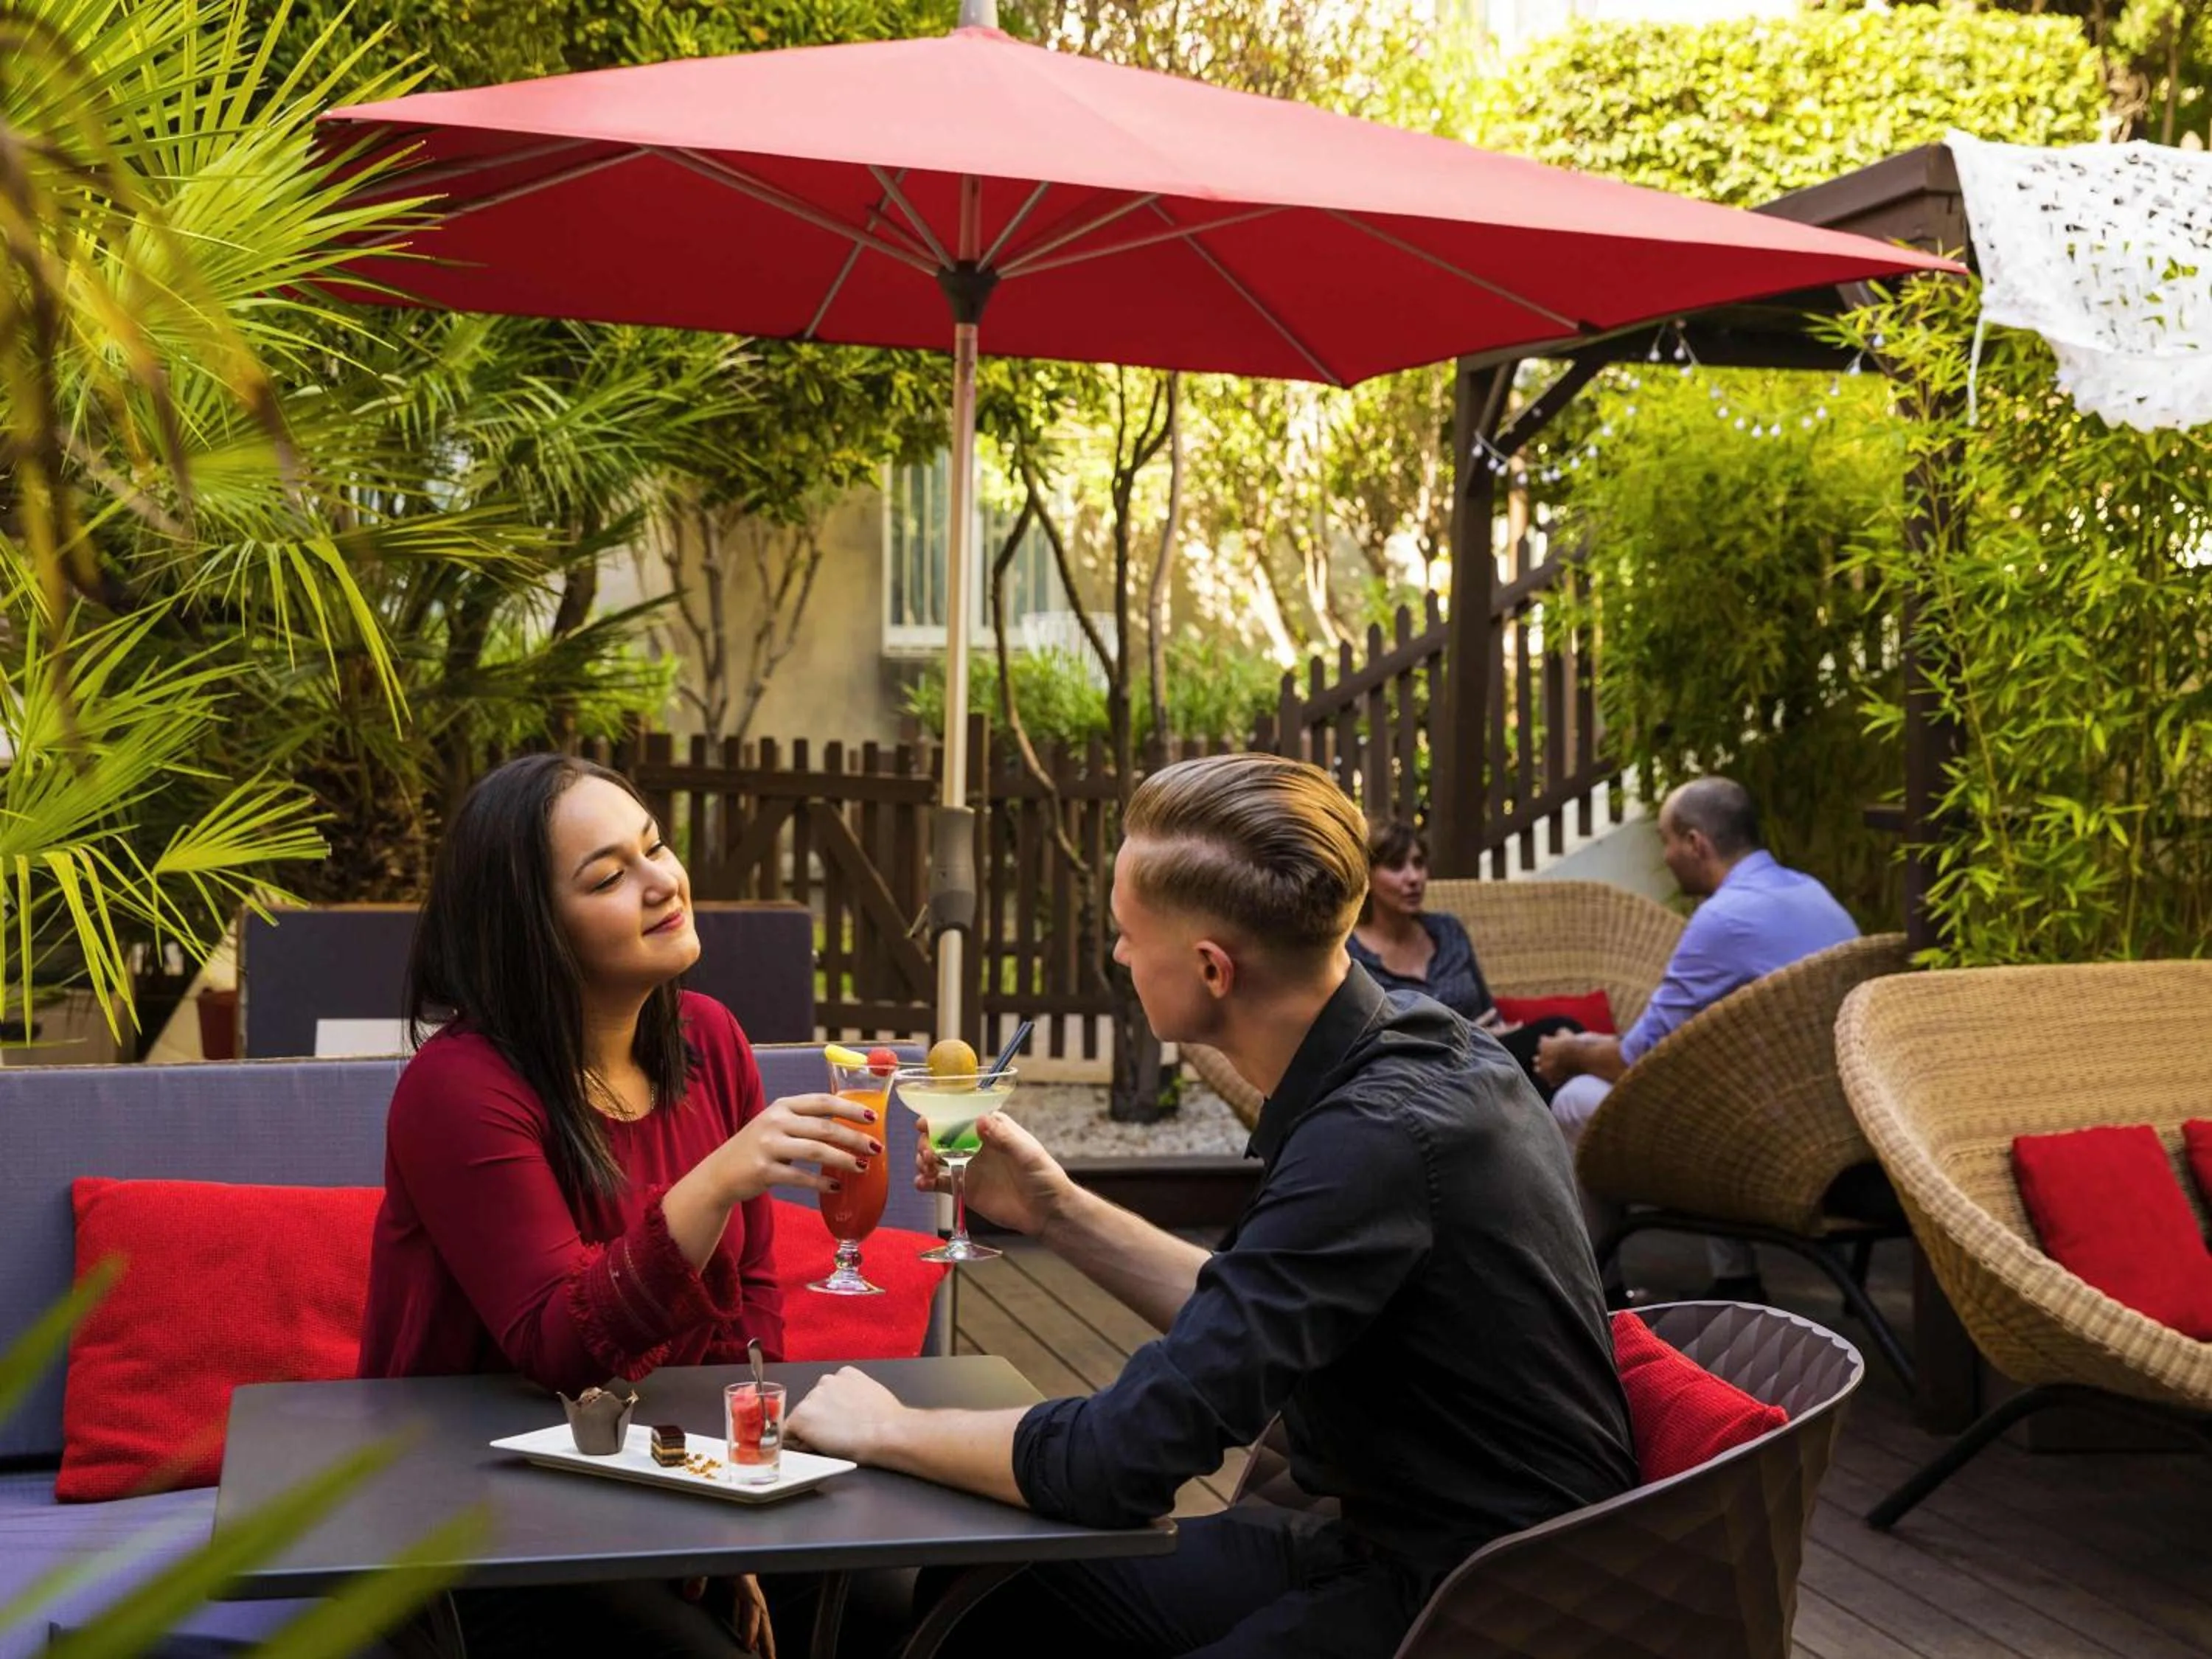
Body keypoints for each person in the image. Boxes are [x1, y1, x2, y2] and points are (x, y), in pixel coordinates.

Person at [785, 754, 1635, 1659]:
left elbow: (1122, 1460)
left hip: (1497, 1601)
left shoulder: (1377, 1137)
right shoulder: (1412, 1052)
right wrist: (1057, 1209)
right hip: (1398, 1538)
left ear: (1211, 969)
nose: (1116, 955)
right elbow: (1248, 1308)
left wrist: (889, 1428)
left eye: (1124, 933)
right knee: (1008, 1602)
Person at [358, 753, 879, 1658]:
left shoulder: (706, 1038)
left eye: (656, 847)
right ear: (531, 931)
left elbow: (748, 1306)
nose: (661, 882)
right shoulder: (458, 1088)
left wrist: (741, 1502)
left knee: (897, 1603)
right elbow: (558, 1344)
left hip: (657, 1484)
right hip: (471, 1514)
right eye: (608, 875)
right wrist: (716, 1178)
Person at [1534, 776, 1859, 1302]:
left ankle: (1601, 1295)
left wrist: (1571, 1053)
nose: (1665, 856)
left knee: (1574, 1102)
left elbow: (1633, 1062)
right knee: (1706, 1088)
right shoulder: (1811, 892)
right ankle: (1736, 1278)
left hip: (1773, 1148)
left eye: (1666, 840)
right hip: (1838, 1126)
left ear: (1695, 843)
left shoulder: (1723, 920)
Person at [1347, 818, 1582, 1098]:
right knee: (1556, 1033)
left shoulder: (1448, 930)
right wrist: (1463, 1037)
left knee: (1558, 1048)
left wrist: (1498, 1034)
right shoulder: (1352, 954)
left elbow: (1488, 1011)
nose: (1413, 878)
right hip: (1416, 1083)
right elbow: (1367, 1046)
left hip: (1486, 1062)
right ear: (1368, 877)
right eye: (1397, 866)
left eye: (1419, 864)